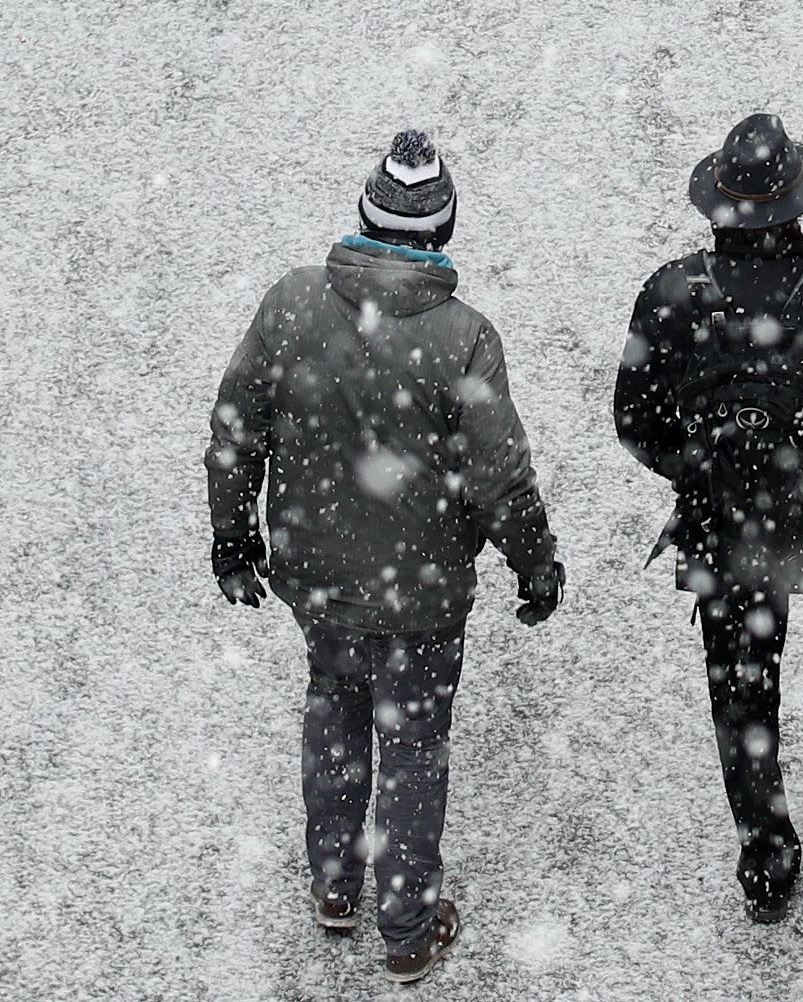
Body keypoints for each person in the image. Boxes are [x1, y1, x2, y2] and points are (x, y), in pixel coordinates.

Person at [208, 131, 563, 983]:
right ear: (442, 232)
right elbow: (500, 479)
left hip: (317, 576)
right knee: (412, 741)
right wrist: (535, 563)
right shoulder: (465, 337)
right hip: (424, 592)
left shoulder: (292, 304)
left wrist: (233, 536)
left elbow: (234, 428)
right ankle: (405, 926)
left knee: (334, 702)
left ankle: (334, 887)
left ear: (365, 217)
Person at [612, 112, 803, 925]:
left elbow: (636, 422)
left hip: (729, 531)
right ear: (797, 206)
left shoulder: (673, 297)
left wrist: (705, 470)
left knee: (743, 695)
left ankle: (767, 857)